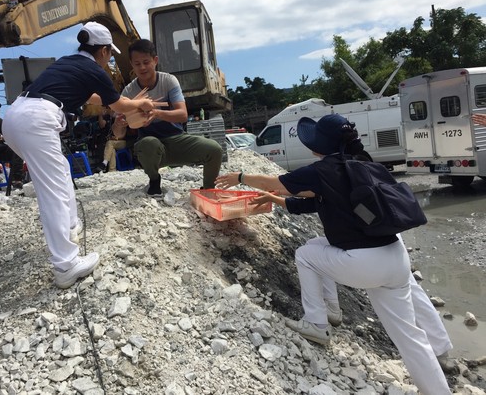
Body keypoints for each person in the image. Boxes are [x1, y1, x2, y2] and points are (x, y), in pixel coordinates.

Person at [215, 114, 452, 394]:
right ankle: (439, 370)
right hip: (395, 255)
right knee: (409, 337)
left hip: (366, 263)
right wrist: (275, 200)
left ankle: (317, 322)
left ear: (322, 144)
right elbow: (313, 202)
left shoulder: (322, 170)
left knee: (305, 255)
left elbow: (275, 182)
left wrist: (240, 176)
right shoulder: (361, 163)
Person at [2, 21, 154, 289]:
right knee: (53, 191)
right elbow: (117, 103)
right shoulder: (94, 69)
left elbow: (95, 98)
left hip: (16, 116)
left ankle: (71, 226)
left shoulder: (68, 62)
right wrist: (139, 103)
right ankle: (66, 265)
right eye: (109, 55)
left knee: (60, 172)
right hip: (37, 121)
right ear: (105, 51)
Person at [121, 39, 223, 196]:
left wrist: (157, 112)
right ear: (131, 64)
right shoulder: (128, 91)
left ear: (155, 60)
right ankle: (154, 180)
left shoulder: (168, 81)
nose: (142, 67)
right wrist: (119, 123)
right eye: (137, 63)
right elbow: (118, 132)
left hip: (177, 139)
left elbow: (182, 115)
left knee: (214, 149)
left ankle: (209, 189)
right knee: (148, 144)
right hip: (151, 146)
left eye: (146, 62)